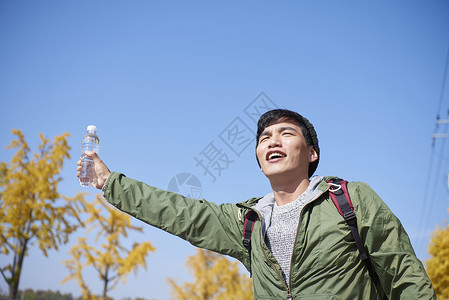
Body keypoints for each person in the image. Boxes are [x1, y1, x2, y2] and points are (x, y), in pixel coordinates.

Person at [77, 109, 436, 299]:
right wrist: (109, 182)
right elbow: (181, 213)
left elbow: (405, 276)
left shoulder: (350, 200)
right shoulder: (248, 222)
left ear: (311, 153)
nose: (272, 140)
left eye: (286, 133)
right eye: (264, 137)